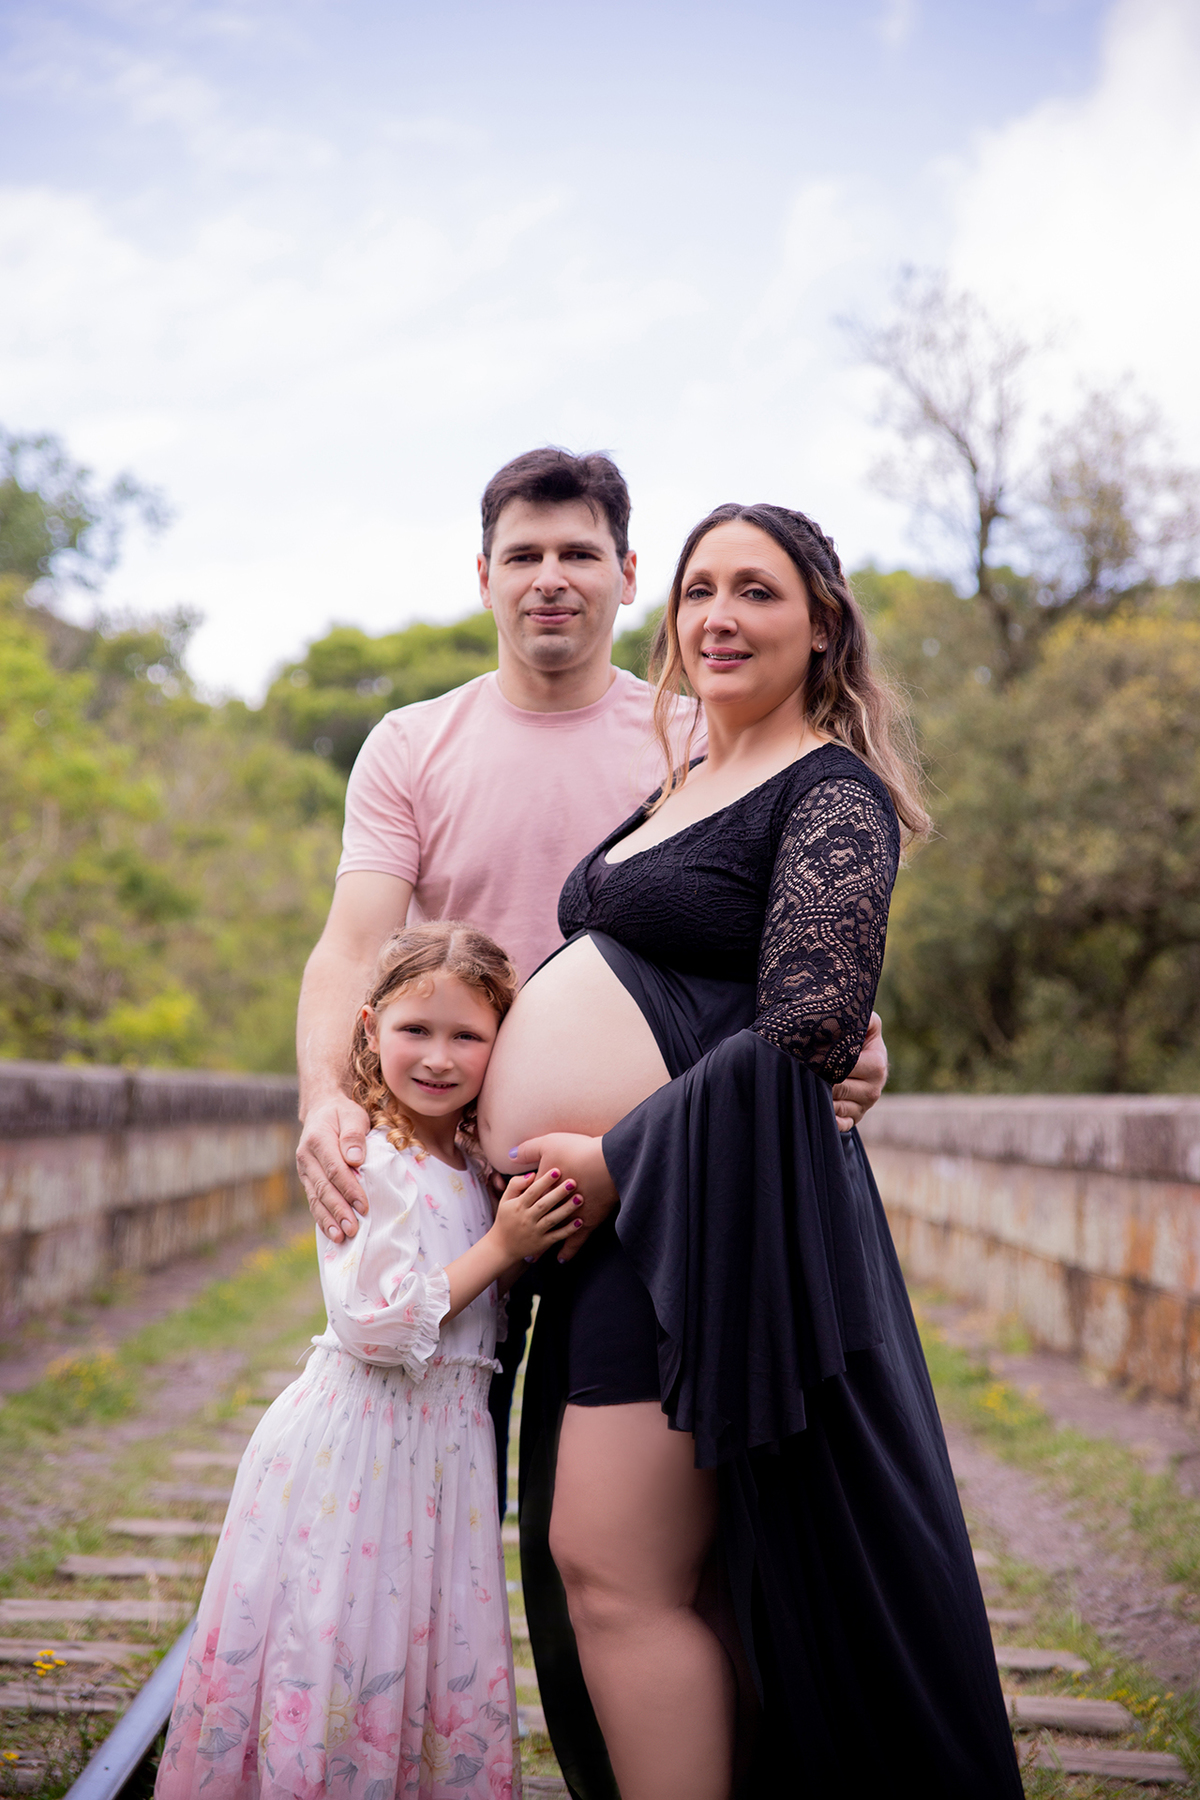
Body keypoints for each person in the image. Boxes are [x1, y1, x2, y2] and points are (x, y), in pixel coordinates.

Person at [476, 504, 1025, 1799]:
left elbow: (814, 1021)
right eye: (700, 588)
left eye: (758, 591)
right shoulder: (676, 787)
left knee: (617, 1569)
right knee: (665, 1578)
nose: (719, 614)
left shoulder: (831, 787)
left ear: (821, 620)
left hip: (702, 1223)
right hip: (633, 1227)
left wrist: (616, 1161)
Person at [294, 448, 890, 1505]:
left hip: (643, 1175)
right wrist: (324, 1101)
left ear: (626, 573)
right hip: (455, 1170)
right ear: (484, 577)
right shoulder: (411, 742)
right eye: (522, 554)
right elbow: (351, 945)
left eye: (579, 552)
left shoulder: (709, 729)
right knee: (421, 1466)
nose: (550, 577)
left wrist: (857, 1028)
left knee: (624, 1513)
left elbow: (796, 913)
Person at [155, 921, 582, 1800]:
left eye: (467, 1035)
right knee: (345, 1648)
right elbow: (376, 1325)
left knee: (420, 1649)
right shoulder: (368, 1157)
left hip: (440, 1453)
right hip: (360, 1453)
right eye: (414, 1031)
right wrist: (503, 1245)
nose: (437, 1056)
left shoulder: (467, 1162)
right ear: (368, 1029)